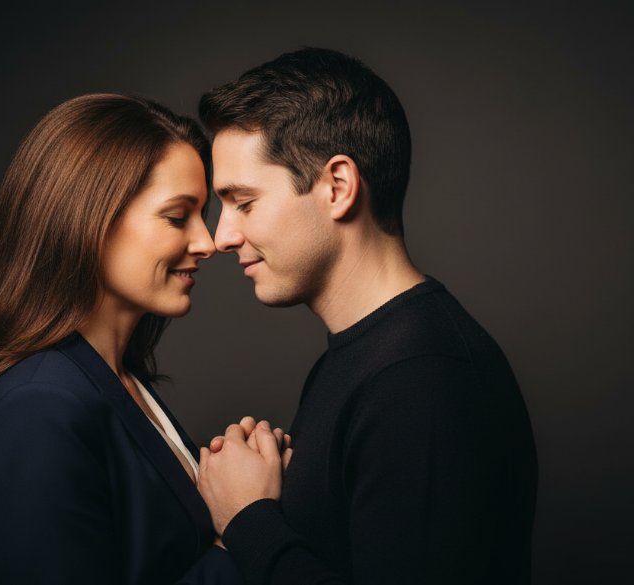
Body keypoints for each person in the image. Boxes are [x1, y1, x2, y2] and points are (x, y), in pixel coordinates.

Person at [195, 48, 539, 584]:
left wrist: (248, 520)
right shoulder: (367, 358)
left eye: (243, 201)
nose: (222, 237)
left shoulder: (422, 377)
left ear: (337, 186)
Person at [0, 94, 245, 584]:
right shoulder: (38, 406)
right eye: (177, 217)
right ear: (91, 219)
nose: (207, 242)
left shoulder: (115, 378)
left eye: (202, 214)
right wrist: (242, 535)